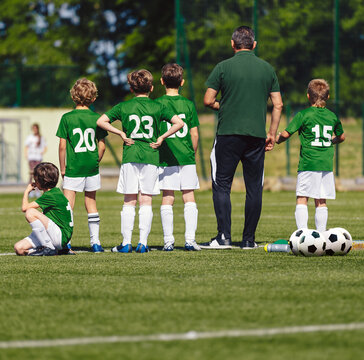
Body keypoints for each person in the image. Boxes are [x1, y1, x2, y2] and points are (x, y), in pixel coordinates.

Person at [200, 25, 283, 250]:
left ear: (232, 44)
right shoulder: (267, 69)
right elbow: (278, 104)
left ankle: (223, 237)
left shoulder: (223, 67)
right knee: (254, 188)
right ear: (254, 45)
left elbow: (208, 100)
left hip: (228, 133)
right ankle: (248, 240)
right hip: (257, 136)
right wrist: (272, 134)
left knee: (222, 185)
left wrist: (225, 107)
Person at [97, 69, 184, 253]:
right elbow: (179, 123)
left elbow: (101, 121)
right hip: (151, 156)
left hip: (131, 155)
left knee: (129, 200)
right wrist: (161, 138)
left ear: (131, 88)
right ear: (151, 88)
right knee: (146, 200)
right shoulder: (158, 107)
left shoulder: (124, 106)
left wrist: (120, 132)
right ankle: (143, 243)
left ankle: (126, 243)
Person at [276, 79, 345, 232]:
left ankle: (302, 234)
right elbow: (342, 137)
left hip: (308, 163)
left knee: (302, 198)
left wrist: (277, 139)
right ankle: (321, 235)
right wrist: (328, 141)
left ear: (308, 96)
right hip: (326, 165)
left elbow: (287, 134)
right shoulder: (332, 116)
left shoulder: (303, 115)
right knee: (321, 201)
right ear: (327, 97)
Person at [56, 78, 107, 253]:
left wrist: (62, 168)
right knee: (91, 203)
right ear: (93, 98)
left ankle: (66, 241)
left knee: (68, 205)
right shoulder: (97, 118)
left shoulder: (67, 118)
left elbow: (62, 146)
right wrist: (95, 160)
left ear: (73, 96)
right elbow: (102, 145)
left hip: (73, 168)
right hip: (91, 168)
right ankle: (96, 243)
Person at [155, 63, 200, 251]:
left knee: (168, 198)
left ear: (162, 81)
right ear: (182, 82)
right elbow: (195, 134)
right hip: (186, 157)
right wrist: (192, 153)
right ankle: (190, 240)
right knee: (189, 197)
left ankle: (168, 241)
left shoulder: (157, 104)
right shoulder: (188, 104)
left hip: (166, 157)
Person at [14, 162, 73, 256]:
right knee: (19, 248)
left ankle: (48, 248)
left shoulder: (50, 195)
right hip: (54, 234)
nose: (34, 181)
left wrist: (27, 191)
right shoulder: (55, 192)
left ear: (42, 181)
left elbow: (24, 208)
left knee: (30, 212)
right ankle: (52, 249)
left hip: (60, 236)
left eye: (36, 179)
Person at [24, 123, 47, 197]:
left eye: (35, 128)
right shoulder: (30, 137)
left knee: (38, 174)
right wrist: (26, 155)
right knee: (31, 174)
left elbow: (45, 147)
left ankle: (37, 190)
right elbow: (26, 147)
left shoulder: (41, 138)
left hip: (38, 158)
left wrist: (41, 153)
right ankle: (30, 190)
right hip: (31, 158)